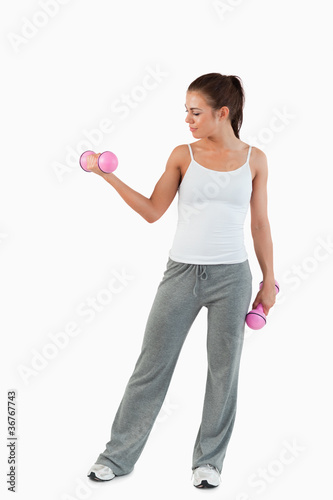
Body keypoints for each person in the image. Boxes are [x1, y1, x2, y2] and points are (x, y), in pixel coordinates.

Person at [85, 73, 276, 489]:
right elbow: (154, 210)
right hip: (182, 273)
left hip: (233, 277)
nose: (187, 119)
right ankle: (116, 457)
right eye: (186, 112)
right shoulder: (182, 155)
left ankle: (208, 462)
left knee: (224, 372)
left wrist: (268, 279)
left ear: (222, 113)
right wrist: (108, 177)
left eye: (195, 112)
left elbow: (260, 224)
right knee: (151, 367)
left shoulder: (255, 159)